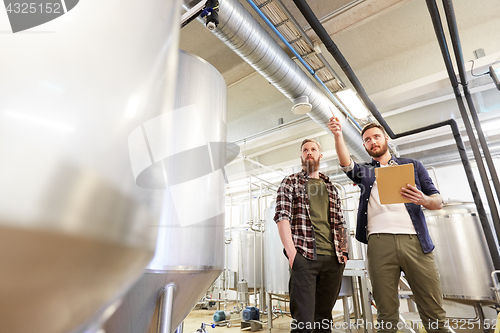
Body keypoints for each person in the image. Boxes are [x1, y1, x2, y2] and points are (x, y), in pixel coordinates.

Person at [328, 119, 450, 333]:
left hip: (416, 243)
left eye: (376, 136)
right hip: (379, 243)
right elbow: (346, 163)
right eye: (367, 140)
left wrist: (423, 200)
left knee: (433, 310)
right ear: (365, 146)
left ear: (386, 138)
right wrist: (338, 135)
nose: (372, 141)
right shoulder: (365, 172)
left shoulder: (413, 166)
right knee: (386, 313)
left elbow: (437, 201)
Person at [274, 139, 348, 333]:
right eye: (305, 150)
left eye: (313, 149)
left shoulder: (330, 187)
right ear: (301, 156)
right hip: (305, 257)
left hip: (333, 259)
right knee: (303, 322)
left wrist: (344, 252)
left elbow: (340, 221)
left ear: (320, 156)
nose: (309, 152)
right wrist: (292, 254)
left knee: (324, 319)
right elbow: (282, 216)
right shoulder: (290, 182)